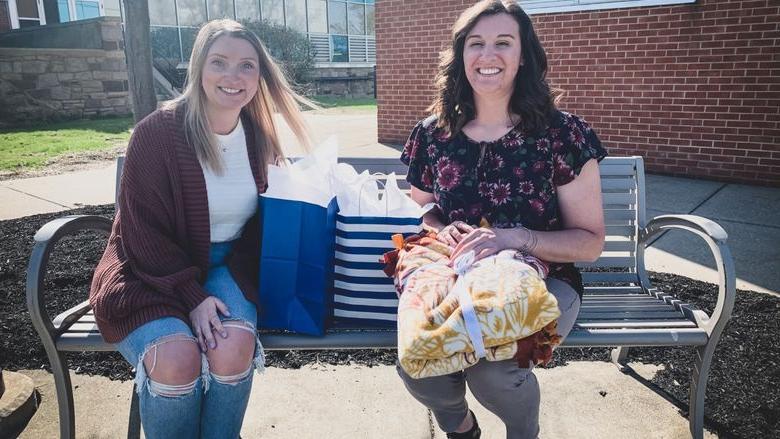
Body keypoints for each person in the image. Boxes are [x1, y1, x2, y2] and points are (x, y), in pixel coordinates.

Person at [89, 19, 314, 438]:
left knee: (231, 350)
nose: (234, 76)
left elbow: (264, 224)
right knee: (175, 359)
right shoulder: (156, 133)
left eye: (247, 65)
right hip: (147, 273)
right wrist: (192, 296)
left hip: (228, 266)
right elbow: (142, 235)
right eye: (220, 62)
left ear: (259, 75)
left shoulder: (258, 137)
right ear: (197, 68)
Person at [398, 1, 608, 438]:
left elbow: (589, 243)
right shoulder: (433, 134)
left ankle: (522, 432)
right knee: (420, 363)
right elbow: (422, 208)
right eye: (475, 43)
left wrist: (513, 238)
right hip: (454, 275)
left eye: (503, 43)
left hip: (546, 277)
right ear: (460, 56)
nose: (487, 55)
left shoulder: (562, 135)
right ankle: (461, 430)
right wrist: (442, 227)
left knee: (494, 370)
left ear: (524, 55)